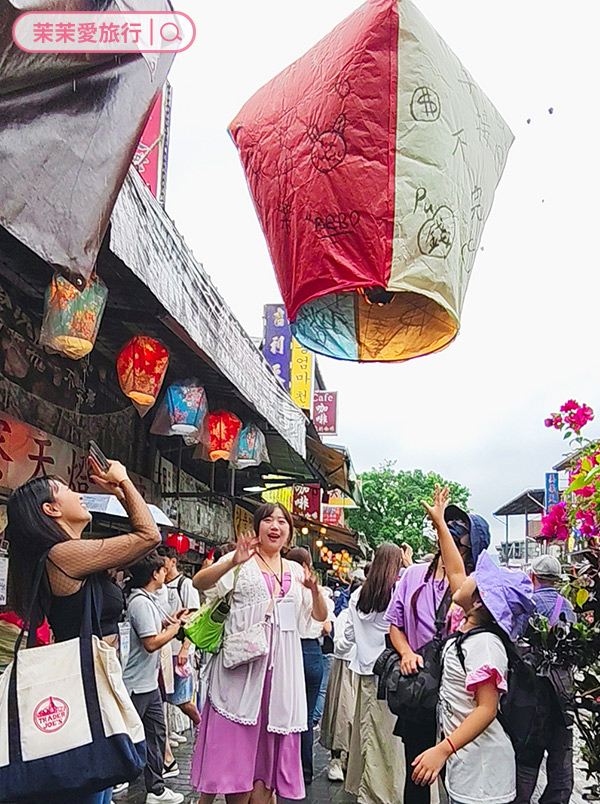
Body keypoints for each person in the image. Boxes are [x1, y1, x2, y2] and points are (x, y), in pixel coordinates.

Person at [5, 459, 161, 804]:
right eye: (68, 490)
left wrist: (122, 492)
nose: (80, 495)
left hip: (93, 685)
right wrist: (123, 483)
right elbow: (149, 536)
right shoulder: (61, 555)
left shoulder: (70, 555)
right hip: (81, 689)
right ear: (51, 509)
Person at [190, 502, 329, 804]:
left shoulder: (295, 570)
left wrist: (316, 591)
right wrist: (231, 562)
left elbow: (319, 617)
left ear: (289, 533)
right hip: (240, 674)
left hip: (280, 679)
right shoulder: (241, 562)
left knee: (267, 766)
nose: (274, 526)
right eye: (268, 520)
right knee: (236, 758)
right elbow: (199, 582)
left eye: (282, 521)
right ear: (257, 528)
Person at [412, 486, 534, 804]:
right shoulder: (470, 621)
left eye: (473, 578)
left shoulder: (484, 645)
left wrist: (442, 749)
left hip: (484, 775)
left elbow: (487, 708)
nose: (462, 577)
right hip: (468, 764)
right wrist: (440, 522)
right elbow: (454, 568)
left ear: (479, 601)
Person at [385, 504, 490, 804]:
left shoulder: (474, 587)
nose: (451, 538)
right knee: (417, 772)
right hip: (420, 687)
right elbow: (395, 623)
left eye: (460, 535)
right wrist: (405, 652)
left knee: (457, 775)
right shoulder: (414, 575)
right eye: (448, 529)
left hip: (460, 695)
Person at [123, 552, 189, 804]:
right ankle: (118, 777)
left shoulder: (147, 600)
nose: (166, 574)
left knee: (156, 734)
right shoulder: (139, 602)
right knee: (129, 734)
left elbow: (153, 628)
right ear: (154, 574)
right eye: (163, 570)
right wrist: (174, 630)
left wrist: (170, 622)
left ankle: (156, 789)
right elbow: (150, 643)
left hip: (148, 683)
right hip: (136, 683)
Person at [344, 543, 406, 804]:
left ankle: (366, 789)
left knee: (367, 734)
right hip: (393, 674)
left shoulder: (359, 595)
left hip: (365, 672)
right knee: (391, 742)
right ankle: (390, 791)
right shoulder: (397, 594)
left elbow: (347, 634)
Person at [513, 555, 576, 804]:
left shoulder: (527, 604)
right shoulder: (568, 608)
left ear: (533, 577)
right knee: (560, 758)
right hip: (562, 693)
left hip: (531, 693)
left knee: (527, 759)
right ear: (558, 581)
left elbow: (514, 640)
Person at [286, 546, 333, 785]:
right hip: (313, 653)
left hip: (290, 650)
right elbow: (326, 625)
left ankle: (286, 768)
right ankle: (305, 771)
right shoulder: (319, 591)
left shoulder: (284, 589)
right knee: (305, 718)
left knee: (286, 714)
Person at [320, 580, 361, 782]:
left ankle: (349, 759)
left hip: (364, 668)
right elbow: (339, 646)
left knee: (358, 717)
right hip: (345, 666)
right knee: (342, 715)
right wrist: (356, 636)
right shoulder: (345, 616)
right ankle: (336, 759)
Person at [158, 545, 201, 728]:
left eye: (163, 562)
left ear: (173, 561)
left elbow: (194, 619)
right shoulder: (159, 586)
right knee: (164, 696)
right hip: (163, 649)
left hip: (180, 651)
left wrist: (185, 648)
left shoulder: (186, 585)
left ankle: (201, 725)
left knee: (182, 699)